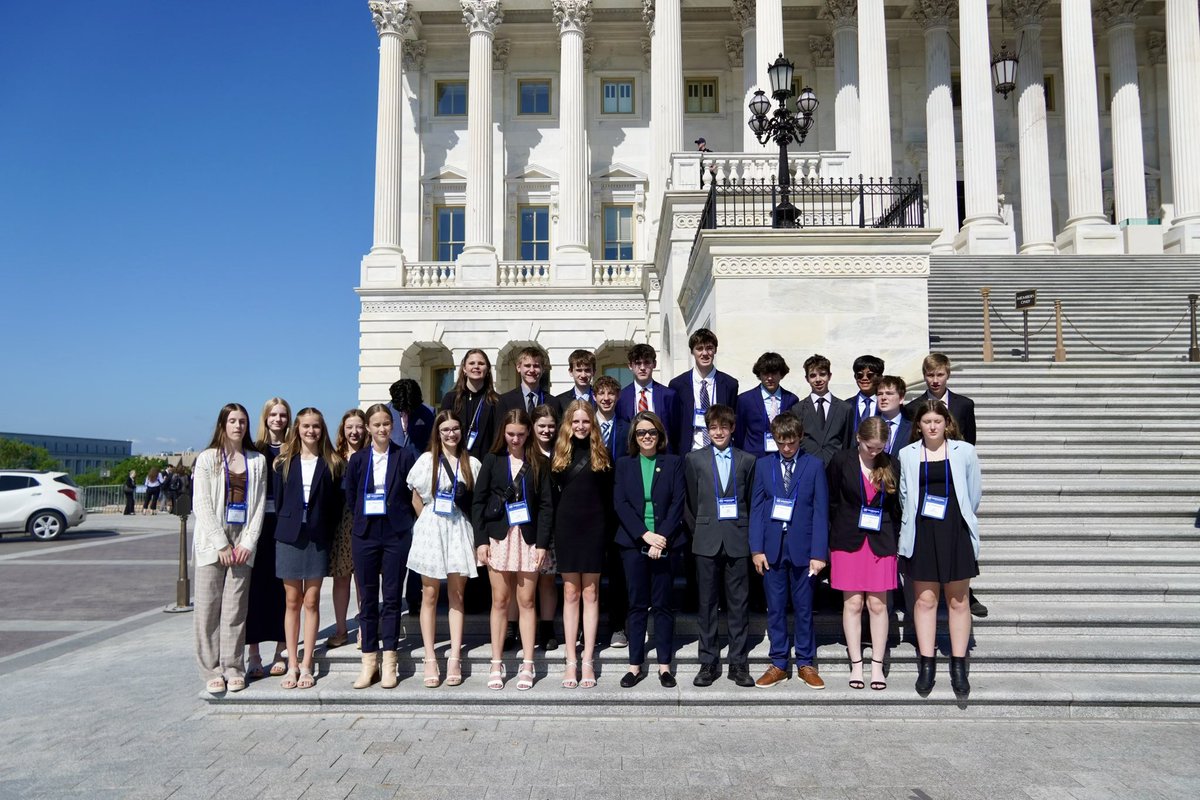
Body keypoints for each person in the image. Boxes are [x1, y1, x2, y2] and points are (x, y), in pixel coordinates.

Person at [898, 399, 982, 698]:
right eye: (926, 422)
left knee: (958, 601)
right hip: (922, 531)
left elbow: (973, 494)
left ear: (947, 423)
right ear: (918, 425)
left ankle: (959, 664)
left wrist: (958, 520)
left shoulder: (965, 452)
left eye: (937, 421)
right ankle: (927, 663)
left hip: (954, 530)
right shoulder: (907, 454)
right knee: (925, 601)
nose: (932, 426)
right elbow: (905, 496)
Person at [472, 409, 552, 691]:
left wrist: (542, 543)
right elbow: (478, 503)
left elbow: (545, 506)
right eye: (510, 434)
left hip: (528, 539)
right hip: (498, 538)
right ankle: (497, 662)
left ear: (528, 432)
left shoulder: (539, 461)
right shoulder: (492, 461)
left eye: (520, 434)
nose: (515, 439)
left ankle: (528, 663)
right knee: (500, 600)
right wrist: (480, 540)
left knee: (527, 601)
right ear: (503, 433)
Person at [191, 403, 267, 694]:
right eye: (233, 421)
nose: (238, 426)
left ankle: (233, 666)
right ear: (222, 425)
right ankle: (211, 669)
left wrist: (248, 541)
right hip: (213, 541)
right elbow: (202, 504)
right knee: (208, 608)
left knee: (235, 609)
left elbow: (259, 504)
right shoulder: (209, 458)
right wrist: (220, 542)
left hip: (243, 540)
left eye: (243, 421)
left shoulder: (256, 460)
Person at [749, 412, 829, 689]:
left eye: (791, 443)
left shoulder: (814, 466)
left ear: (800, 439)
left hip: (804, 549)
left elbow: (821, 511)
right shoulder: (763, 466)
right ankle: (779, 662)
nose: (786, 448)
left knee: (805, 608)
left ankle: (806, 662)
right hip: (772, 548)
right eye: (781, 443)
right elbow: (757, 508)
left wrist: (819, 553)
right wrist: (756, 549)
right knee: (775, 608)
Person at [904, 353, 986, 619]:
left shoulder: (964, 405)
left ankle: (965, 593)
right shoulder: (913, 406)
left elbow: (969, 447)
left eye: (940, 375)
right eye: (930, 375)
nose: (935, 380)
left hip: (953, 491)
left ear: (948, 374)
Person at [343, 403, 419, 690]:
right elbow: (351, 496)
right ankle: (369, 662)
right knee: (367, 600)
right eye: (376, 424)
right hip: (365, 534)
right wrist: (365, 516)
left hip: (396, 534)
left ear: (393, 426)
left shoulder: (404, 455)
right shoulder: (358, 460)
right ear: (368, 428)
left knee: (391, 599)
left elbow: (413, 492)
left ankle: (389, 662)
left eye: (386, 423)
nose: (382, 428)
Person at [406, 410, 482, 688]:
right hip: (433, 526)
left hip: (459, 528)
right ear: (437, 433)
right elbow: (416, 497)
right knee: (429, 593)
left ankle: (454, 657)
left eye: (455, 429)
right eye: (445, 430)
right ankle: (429, 656)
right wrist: (427, 520)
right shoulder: (427, 460)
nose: (451, 434)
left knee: (457, 594)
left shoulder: (471, 462)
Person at [271, 408, 345, 690]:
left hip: (317, 537)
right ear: (297, 429)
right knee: (292, 601)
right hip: (289, 537)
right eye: (305, 426)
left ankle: (307, 663)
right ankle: (291, 663)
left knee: (311, 601)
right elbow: (279, 503)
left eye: (315, 426)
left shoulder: (332, 463)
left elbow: (336, 505)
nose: (311, 431)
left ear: (321, 430)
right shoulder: (283, 463)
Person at [684, 404, 756, 688]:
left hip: (738, 539)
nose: (718, 432)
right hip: (706, 539)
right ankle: (708, 661)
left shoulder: (747, 460)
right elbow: (690, 501)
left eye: (723, 427)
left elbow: (749, 499)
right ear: (707, 430)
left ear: (732, 428)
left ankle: (738, 662)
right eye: (713, 428)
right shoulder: (694, 459)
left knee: (738, 604)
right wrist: (698, 531)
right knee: (707, 604)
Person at [613, 411, 685, 688]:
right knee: (637, 605)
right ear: (634, 436)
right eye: (642, 432)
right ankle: (635, 666)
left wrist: (661, 537)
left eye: (652, 432)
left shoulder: (673, 462)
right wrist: (645, 536)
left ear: (660, 435)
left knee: (664, 605)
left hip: (666, 542)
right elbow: (620, 504)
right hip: (633, 543)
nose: (647, 437)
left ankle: (665, 666)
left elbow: (678, 502)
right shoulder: (624, 464)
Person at [827, 417, 900, 692]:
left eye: (879, 448)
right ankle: (856, 663)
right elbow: (832, 499)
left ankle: (878, 665)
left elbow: (895, 507)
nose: (874, 452)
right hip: (848, 541)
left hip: (881, 541)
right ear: (859, 438)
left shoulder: (891, 463)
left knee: (878, 605)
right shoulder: (840, 460)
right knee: (853, 604)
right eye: (870, 447)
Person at [550, 400, 614, 689]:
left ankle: (587, 658)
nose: (580, 426)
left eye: (585, 422)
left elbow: (609, 497)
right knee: (571, 592)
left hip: (595, 528)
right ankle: (570, 658)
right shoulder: (559, 453)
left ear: (593, 424)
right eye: (575, 422)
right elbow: (550, 497)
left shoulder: (602, 452)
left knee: (591, 592)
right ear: (568, 424)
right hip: (567, 528)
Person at [245, 398, 290, 680]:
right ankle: (253, 654)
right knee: (255, 591)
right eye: (273, 414)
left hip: (283, 525)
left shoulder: (293, 449)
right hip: (257, 526)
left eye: (283, 414)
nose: (278, 419)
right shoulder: (255, 450)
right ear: (265, 418)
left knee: (283, 590)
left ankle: (281, 650)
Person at [593, 374, 629, 648]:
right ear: (594, 396)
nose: (606, 398)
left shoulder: (627, 429)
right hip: (590, 507)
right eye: (601, 393)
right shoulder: (583, 426)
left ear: (617, 397)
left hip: (618, 510)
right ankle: (587, 627)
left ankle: (618, 625)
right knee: (590, 571)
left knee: (618, 572)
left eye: (611, 394)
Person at [328, 409, 367, 649]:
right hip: (341, 525)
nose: (354, 432)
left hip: (366, 523)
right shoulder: (334, 458)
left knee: (364, 580)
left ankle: (364, 629)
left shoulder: (372, 455)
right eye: (349, 427)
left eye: (359, 426)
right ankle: (342, 629)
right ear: (343, 430)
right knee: (341, 580)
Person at [668, 328, 739, 456]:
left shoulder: (730, 384)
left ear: (715, 350)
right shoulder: (677, 385)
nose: (705, 353)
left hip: (721, 452)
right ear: (692, 352)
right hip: (689, 453)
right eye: (699, 348)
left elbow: (733, 421)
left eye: (709, 348)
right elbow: (674, 426)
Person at [526, 404, 561, 651]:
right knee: (522, 582)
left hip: (553, 525)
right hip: (526, 525)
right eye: (541, 426)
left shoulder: (560, 451)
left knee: (547, 580)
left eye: (550, 426)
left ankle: (547, 628)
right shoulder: (523, 452)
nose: (546, 430)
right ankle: (513, 627)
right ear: (532, 427)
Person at [734, 352, 800, 459]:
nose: (770, 378)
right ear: (759, 374)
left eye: (774, 373)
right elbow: (739, 435)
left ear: (781, 374)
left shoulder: (791, 400)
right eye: (765, 373)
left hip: (783, 457)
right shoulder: (745, 400)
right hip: (754, 459)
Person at [440, 348, 501, 461]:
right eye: (472, 363)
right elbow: (441, 432)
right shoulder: (451, 398)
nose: (476, 366)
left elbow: (498, 438)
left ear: (487, 369)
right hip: (455, 461)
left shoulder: (497, 401)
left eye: (481, 363)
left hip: (485, 464)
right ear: (464, 368)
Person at [795, 353, 851, 466]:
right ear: (807, 379)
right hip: (807, 467)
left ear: (829, 376)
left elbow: (848, 442)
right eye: (813, 375)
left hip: (836, 467)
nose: (818, 379)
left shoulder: (845, 408)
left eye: (822, 374)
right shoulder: (798, 409)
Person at [617, 344, 677, 439]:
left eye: (646, 362)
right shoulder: (621, 397)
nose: (642, 368)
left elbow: (676, 430)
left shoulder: (669, 395)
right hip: (632, 451)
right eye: (638, 363)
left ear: (654, 364)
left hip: (662, 451)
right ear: (630, 366)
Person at [498, 346, 562, 420]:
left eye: (536, 366)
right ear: (518, 367)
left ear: (543, 369)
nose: (532, 370)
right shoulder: (505, 401)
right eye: (527, 366)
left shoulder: (553, 402)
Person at [843, 354, 885, 445]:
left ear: (879, 377)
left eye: (870, 375)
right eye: (860, 375)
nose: (864, 378)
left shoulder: (886, 404)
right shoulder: (845, 406)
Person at [388, 377, 435, 455]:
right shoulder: (385, 412)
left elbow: (432, 442)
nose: (406, 412)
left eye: (409, 410)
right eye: (403, 409)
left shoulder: (429, 412)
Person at [876, 376, 912, 456]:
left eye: (889, 393)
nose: (883, 398)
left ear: (901, 398)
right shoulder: (869, 425)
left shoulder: (912, 429)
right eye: (880, 394)